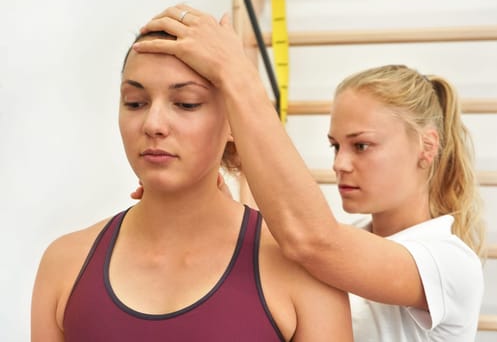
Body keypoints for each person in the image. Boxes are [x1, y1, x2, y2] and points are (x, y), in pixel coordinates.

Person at [132, 4, 486, 341]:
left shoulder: (448, 263)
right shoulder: (347, 242)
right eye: (336, 146)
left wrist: (237, 75)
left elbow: (309, 239)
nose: (340, 164)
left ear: (426, 146)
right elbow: (279, 235)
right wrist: (207, 196)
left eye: (361, 145)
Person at [30, 28, 353, 341]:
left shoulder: (303, 271)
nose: (153, 124)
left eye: (186, 103)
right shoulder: (64, 263)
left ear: (233, 122)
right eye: (135, 102)